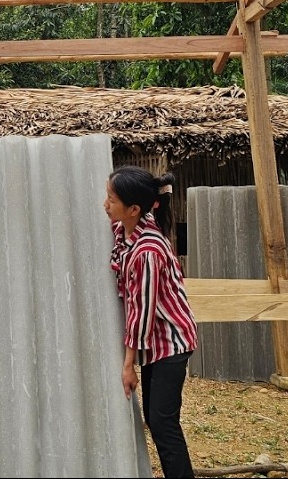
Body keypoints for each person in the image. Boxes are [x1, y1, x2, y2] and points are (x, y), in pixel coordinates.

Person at [104, 167, 198, 478]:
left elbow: (141, 312)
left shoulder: (148, 251)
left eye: (111, 199)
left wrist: (128, 364)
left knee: (162, 421)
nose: (105, 204)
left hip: (170, 342)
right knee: (155, 417)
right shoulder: (129, 228)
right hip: (157, 345)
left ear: (133, 209)